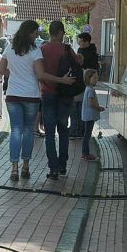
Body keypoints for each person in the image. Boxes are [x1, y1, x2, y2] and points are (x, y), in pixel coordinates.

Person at [36, 20, 81, 180]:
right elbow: (78, 65)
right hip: (65, 94)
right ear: (60, 32)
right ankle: (63, 165)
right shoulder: (67, 49)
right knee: (63, 130)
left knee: (49, 133)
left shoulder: (41, 49)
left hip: (47, 93)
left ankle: (53, 168)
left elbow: (37, 72)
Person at [0, 20, 42, 181]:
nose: (37, 36)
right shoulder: (35, 51)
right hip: (31, 95)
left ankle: (14, 168)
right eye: (35, 33)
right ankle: (26, 166)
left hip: (13, 94)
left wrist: (16, 76)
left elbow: (2, 70)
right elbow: (39, 74)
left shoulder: (9, 48)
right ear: (30, 33)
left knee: (16, 130)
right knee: (28, 130)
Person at [81, 69, 105, 161]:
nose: (96, 79)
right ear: (88, 78)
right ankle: (86, 154)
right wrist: (99, 108)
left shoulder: (88, 89)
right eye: (94, 78)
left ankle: (85, 153)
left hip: (87, 115)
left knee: (86, 134)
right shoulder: (90, 90)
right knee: (87, 135)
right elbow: (91, 103)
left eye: (97, 77)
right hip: (89, 116)